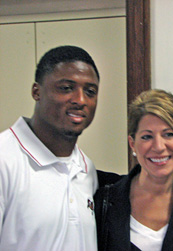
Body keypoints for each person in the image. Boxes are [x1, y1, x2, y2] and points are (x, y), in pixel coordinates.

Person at [0, 45, 100, 250]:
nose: (80, 100)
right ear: (37, 91)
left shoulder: (85, 168)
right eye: (66, 88)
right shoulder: (4, 159)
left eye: (90, 91)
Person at [94, 89, 173, 251]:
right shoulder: (105, 202)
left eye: (168, 134)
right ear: (132, 143)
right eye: (147, 136)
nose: (158, 147)